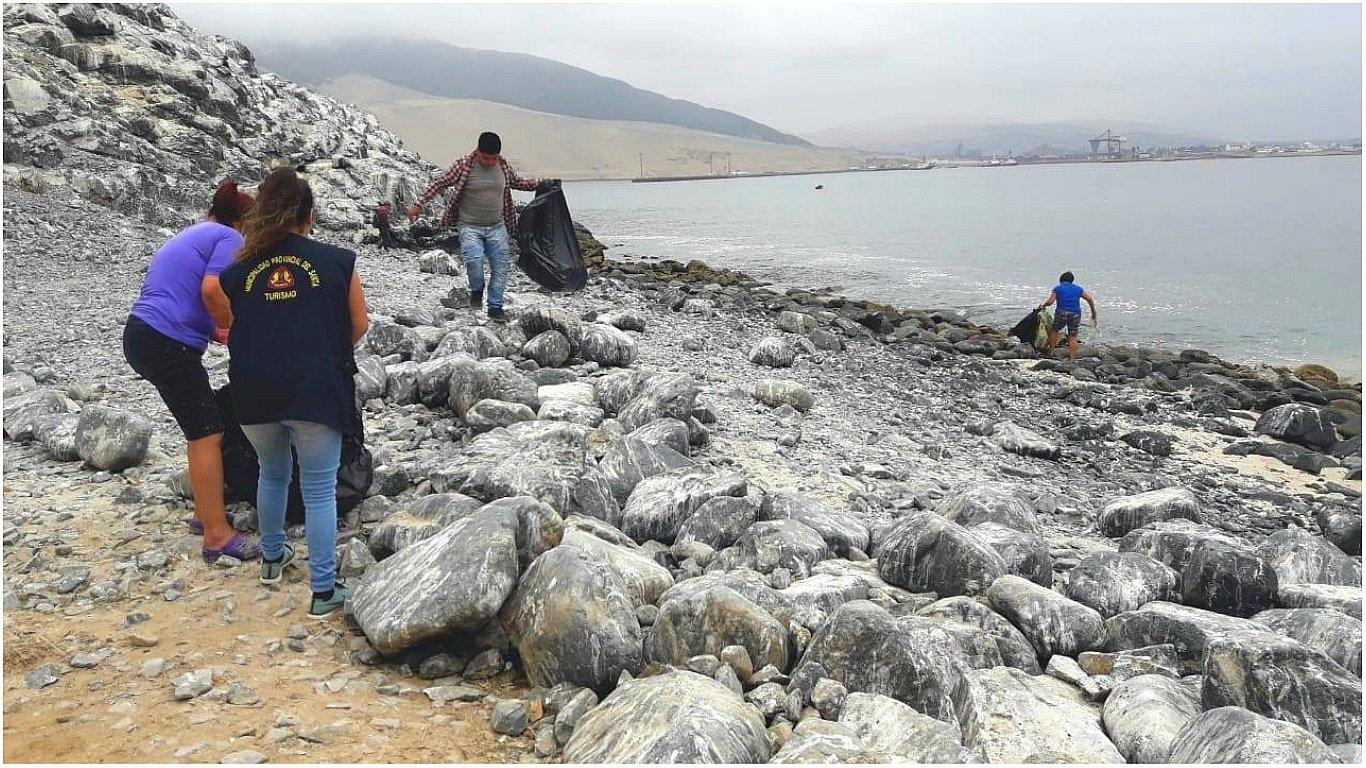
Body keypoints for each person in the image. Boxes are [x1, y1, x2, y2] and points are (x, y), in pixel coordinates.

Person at [208, 168, 370, 618]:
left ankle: (273, 560)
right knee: (318, 489)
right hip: (315, 388)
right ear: (308, 213)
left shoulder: (237, 271)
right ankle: (323, 591)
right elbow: (358, 325)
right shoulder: (338, 261)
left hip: (253, 389)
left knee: (271, 473)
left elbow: (233, 325)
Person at [124, 181, 263, 564]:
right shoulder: (226, 237)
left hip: (144, 333)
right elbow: (211, 290)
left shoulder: (196, 232)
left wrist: (216, 328)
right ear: (242, 222)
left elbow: (191, 298)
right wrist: (236, 329)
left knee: (203, 423)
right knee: (206, 433)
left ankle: (206, 513)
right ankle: (217, 536)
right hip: (166, 341)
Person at [407, 131, 557, 320]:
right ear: (478, 151)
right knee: (474, 261)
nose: (489, 162)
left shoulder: (502, 167)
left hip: (497, 226)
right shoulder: (463, 166)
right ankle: (477, 290)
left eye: (493, 158)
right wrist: (418, 204)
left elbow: (520, 183)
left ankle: (495, 306)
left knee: (501, 267)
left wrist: (542, 183)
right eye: (486, 158)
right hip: (469, 226)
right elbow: (440, 183)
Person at [1038, 271, 1099, 361]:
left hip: (1061, 312)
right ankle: (1072, 359)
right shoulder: (1078, 289)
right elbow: (1089, 298)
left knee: (1055, 330)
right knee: (1073, 336)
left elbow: (1050, 302)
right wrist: (1093, 311)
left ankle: (1051, 352)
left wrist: (1043, 306)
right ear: (1071, 281)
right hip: (1075, 313)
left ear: (1061, 280)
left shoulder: (1058, 288)